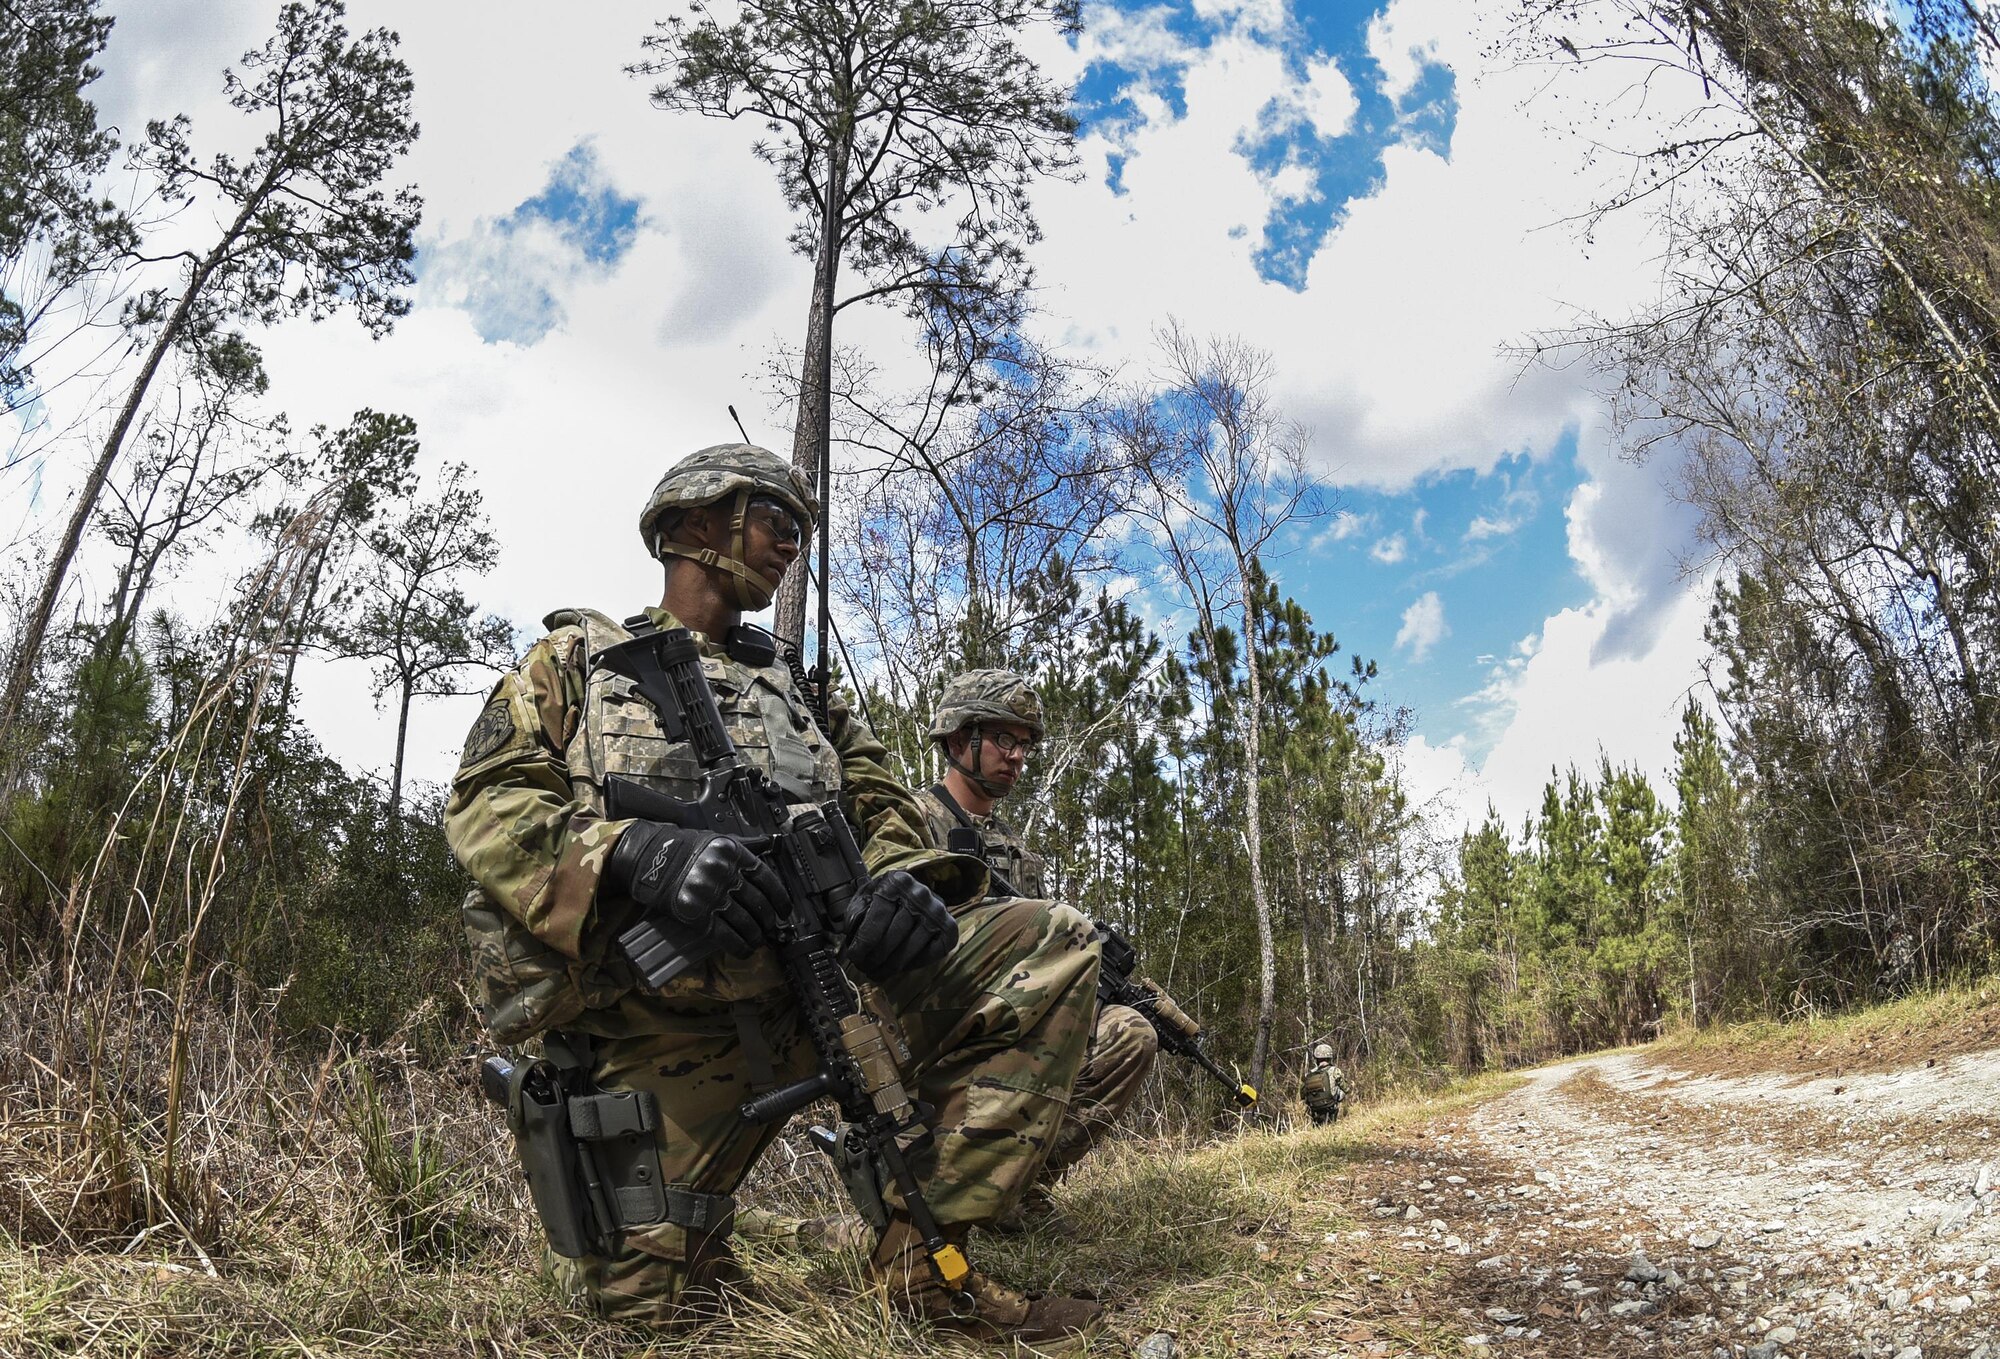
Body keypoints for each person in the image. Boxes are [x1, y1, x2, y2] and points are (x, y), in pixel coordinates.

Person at [445, 444, 1105, 1346]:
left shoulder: (806, 694)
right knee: (660, 1322)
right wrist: (636, 853)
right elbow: (489, 800)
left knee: (1050, 939)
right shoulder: (573, 662)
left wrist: (903, 890)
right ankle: (700, 1240)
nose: (792, 544)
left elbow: (883, 809)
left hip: (828, 989)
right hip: (662, 1026)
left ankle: (922, 1261)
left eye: (800, 530)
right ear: (692, 523)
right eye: (776, 522)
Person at [914, 670, 1160, 1205]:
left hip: (1014, 1012)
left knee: (1131, 1033)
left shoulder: (1017, 851)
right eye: (1004, 739)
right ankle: (955, 1188)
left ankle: (1017, 1187)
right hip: (935, 1021)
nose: (1018, 756)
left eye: (1024, 743)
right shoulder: (910, 822)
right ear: (960, 739)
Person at [1301, 1041, 1345, 1125]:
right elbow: (1346, 1088)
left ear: (1316, 1058)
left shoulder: (1309, 1074)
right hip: (1330, 1106)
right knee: (1341, 1091)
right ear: (1330, 1057)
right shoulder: (1335, 1070)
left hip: (1314, 1108)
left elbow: (1302, 1095)